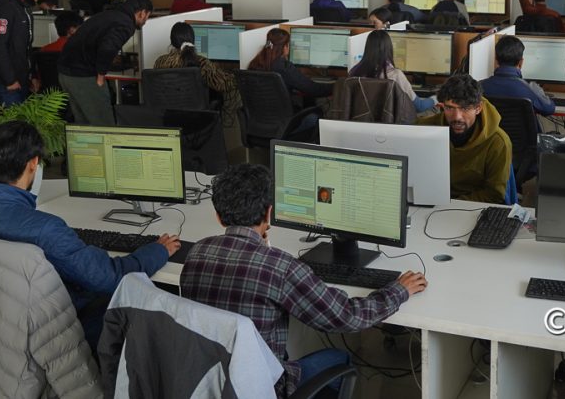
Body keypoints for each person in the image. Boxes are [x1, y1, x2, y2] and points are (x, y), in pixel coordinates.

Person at [179, 164, 426, 398]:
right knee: (340, 358)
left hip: (208, 382)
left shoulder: (197, 252)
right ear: (269, 212)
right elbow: (348, 316)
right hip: (262, 387)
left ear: (219, 218)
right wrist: (398, 291)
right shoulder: (280, 267)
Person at [0, 121, 179, 349]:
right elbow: (109, 278)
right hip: (52, 330)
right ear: (34, 163)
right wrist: (156, 251)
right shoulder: (46, 230)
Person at [58, 0, 153, 125]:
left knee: (83, 124)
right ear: (142, 12)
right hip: (82, 75)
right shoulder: (126, 23)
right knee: (104, 126)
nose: (145, 21)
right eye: (147, 17)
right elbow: (108, 47)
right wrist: (101, 75)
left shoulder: (111, 14)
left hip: (65, 72)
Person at [418, 74, 512, 203]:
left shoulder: (498, 141)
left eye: (465, 108)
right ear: (442, 106)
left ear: (478, 108)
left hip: (471, 206)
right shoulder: (422, 130)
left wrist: (450, 204)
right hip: (429, 201)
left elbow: (494, 194)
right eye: (450, 108)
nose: (457, 117)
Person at [0, 0, 50, 105]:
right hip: (8, 84)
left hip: (22, 79)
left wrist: (32, 75)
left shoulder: (24, 6)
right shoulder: (6, 7)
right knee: (13, 125)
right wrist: (9, 79)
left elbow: (27, 47)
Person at [154, 22, 241, 120]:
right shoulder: (202, 63)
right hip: (196, 119)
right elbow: (223, 84)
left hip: (168, 117)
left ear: (172, 41)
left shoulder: (159, 62)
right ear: (193, 40)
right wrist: (239, 75)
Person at [348, 30, 436, 114]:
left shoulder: (354, 72)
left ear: (367, 48)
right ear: (389, 49)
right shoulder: (395, 75)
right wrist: (435, 99)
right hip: (390, 125)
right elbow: (419, 107)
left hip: (361, 123)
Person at [248, 28, 334, 104]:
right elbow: (314, 89)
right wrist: (337, 86)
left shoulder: (254, 63)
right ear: (285, 47)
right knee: (314, 112)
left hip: (257, 116)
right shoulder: (284, 67)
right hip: (283, 116)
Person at [480, 36, 556, 118]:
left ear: (496, 60)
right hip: (524, 131)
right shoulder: (529, 89)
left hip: (493, 131)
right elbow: (549, 109)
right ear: (521, 63)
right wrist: (538, 90)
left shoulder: (479, 87)